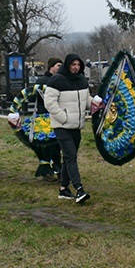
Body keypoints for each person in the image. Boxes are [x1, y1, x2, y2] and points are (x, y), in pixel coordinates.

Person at [43, 53, 92, 204]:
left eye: (78, 65)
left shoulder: (82, 80)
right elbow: (49, 103)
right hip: (62, 126)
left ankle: (64, 188)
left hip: (76, 126)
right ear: (67, 65)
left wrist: (96, 105)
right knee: (71, 156)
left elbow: (86, 100)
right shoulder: (57, 80)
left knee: (68, 158)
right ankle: (79, 188)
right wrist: (63, 118)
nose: (76, 67)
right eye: (73, 64)